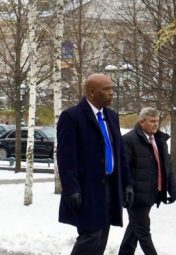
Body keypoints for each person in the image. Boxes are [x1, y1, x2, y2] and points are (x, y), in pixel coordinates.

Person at [57, 73, 133, 255]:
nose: (112, 93)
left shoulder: (111, 116)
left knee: (102, 236)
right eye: (106, 89)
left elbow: (119, 153)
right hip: (86, 189)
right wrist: (71, 189)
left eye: (112, 88)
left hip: (110, 186)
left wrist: (127, 183)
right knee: (91, 235)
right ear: (91, 92)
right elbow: (65, 157)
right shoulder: (72, 116)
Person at [118, 107, 176, 255]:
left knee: (135, 228)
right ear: (142, 121)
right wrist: (128, 188)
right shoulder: (129, 140)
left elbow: (167, 167)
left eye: (157, 121)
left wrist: (173, 188)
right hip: (136, 197)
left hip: (151, 194)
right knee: (143, 232)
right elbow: (124, 169)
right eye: (152, 121)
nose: (156, 124)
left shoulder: (160, 140)